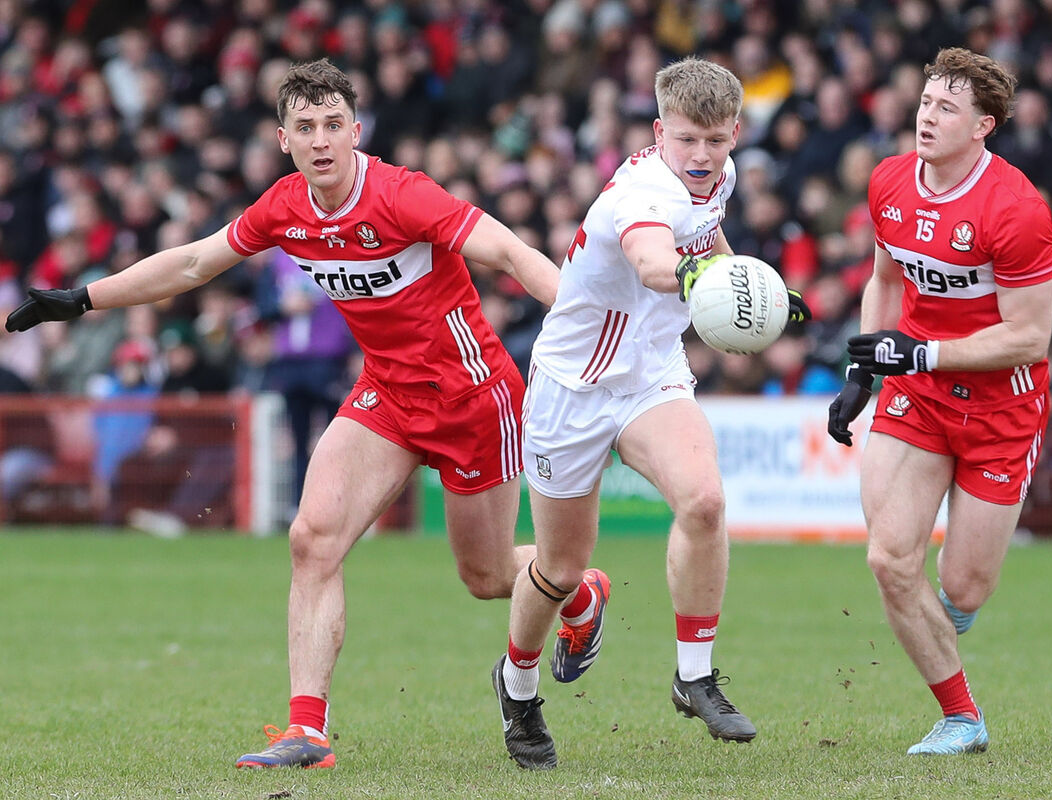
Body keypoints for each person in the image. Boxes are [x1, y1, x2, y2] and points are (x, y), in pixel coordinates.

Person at [5, 58, 599, 770]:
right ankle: (308, 733)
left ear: (356, 131)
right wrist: (84, 298)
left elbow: (506, 251)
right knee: (312, 538)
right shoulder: (284, 206)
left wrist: (582, 325)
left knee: (487, 578)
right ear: (283, 138)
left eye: (332, 126)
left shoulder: (403, 194)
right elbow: (194, 264)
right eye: (304, 127)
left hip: (474, 399)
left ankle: (576, 586)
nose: (320, 140)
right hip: (385, 394)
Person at [491, 56, 811, 770]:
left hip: (651, 373)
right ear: (660, 131)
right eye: (688, 140)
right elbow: (655, 262)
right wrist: (701, 277)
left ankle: (694, 676)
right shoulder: (640, 193)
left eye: (717, 141)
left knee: (704, 502)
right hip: (571, 387)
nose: (701, 158)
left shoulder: (716, 177)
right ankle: (517, 687)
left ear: (734, 134)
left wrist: (756, 288)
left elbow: (709, 238)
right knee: (561, 569)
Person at [826, 48, 1052, 756]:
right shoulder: (891, 180)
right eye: (926, 102)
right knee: (890, 560)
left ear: (983, 125)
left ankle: (945, 614)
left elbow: (1028, 337)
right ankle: (962, 717)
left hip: (1000, 412)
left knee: (962, 587)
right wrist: (863, 369)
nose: (927, 116)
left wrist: (922, 351)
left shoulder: (1017, 209)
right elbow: (886, 279)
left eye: (947, 108)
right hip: (918, 396)